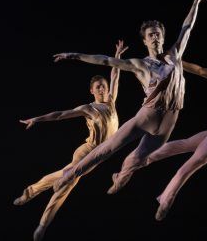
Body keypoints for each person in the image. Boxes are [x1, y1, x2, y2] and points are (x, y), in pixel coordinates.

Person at [52, 0, 207, 193]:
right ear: (145, 40)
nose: (155, 37)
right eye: (151, 35)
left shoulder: (175, 55)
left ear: (163, 38)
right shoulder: (140, 64)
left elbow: (187, 28)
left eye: (157, 34)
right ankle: (71, 175)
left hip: (168, 123)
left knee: (137, 159)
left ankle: (119, 177)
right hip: (147, 116)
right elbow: (106, 61)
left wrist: (196, 2)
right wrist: (75, 55)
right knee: (108, 148)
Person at [133, 11, 207, 221]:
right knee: (194, 163)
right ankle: (166, 200)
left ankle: (141, 159)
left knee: (184, 144)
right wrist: (177, 62)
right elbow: (200, 70)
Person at [14, 40, 128, 241]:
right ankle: (43, 225)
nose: (103, 89)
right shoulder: (89, 108)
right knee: (68, 181)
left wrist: (117, 57)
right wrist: (37, 119)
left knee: (63, 175)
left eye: (104, 86)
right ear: (92, 91)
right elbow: (60, 115)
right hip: (87, 150)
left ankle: (30, 191)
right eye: (98, 87)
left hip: (100, 155)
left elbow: (116, 75)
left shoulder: (111, 102)